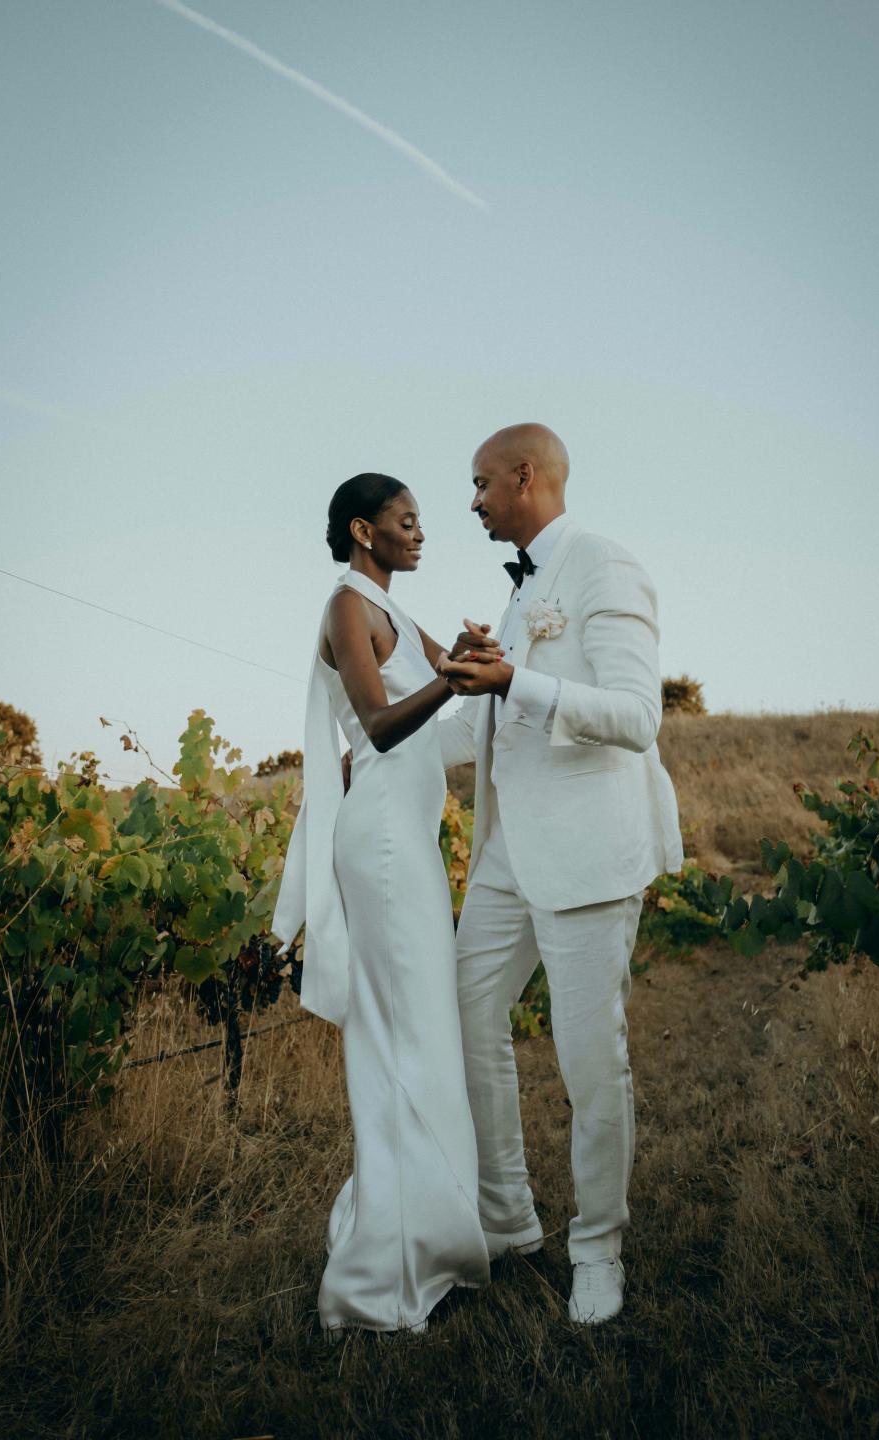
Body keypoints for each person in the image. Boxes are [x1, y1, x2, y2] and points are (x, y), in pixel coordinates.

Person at [436, 423, 683, 1326]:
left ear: (525, 476)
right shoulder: (521, 595)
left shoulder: (604, 565)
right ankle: (508, 1218)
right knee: (464, 1014)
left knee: (590, 1062)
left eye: (479, 484)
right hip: (506, 857)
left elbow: (633, 716)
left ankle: (598, 1248)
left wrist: (512, 683)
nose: (471, 502)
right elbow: (484, 727)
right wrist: (379, 751)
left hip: (587, 856)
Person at [271, 473, 500, 1337]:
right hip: (383, 845)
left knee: (422, 1032)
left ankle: (426, 1231)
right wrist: (456, 679)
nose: (421, 533)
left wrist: (475, 656)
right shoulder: (346, 607)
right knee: (402, 1033)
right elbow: (376, 722)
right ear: (365, 530)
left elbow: (453, 669)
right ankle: (380, 1275)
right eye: (408, 521)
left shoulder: (395, 612)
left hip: (411, 842)